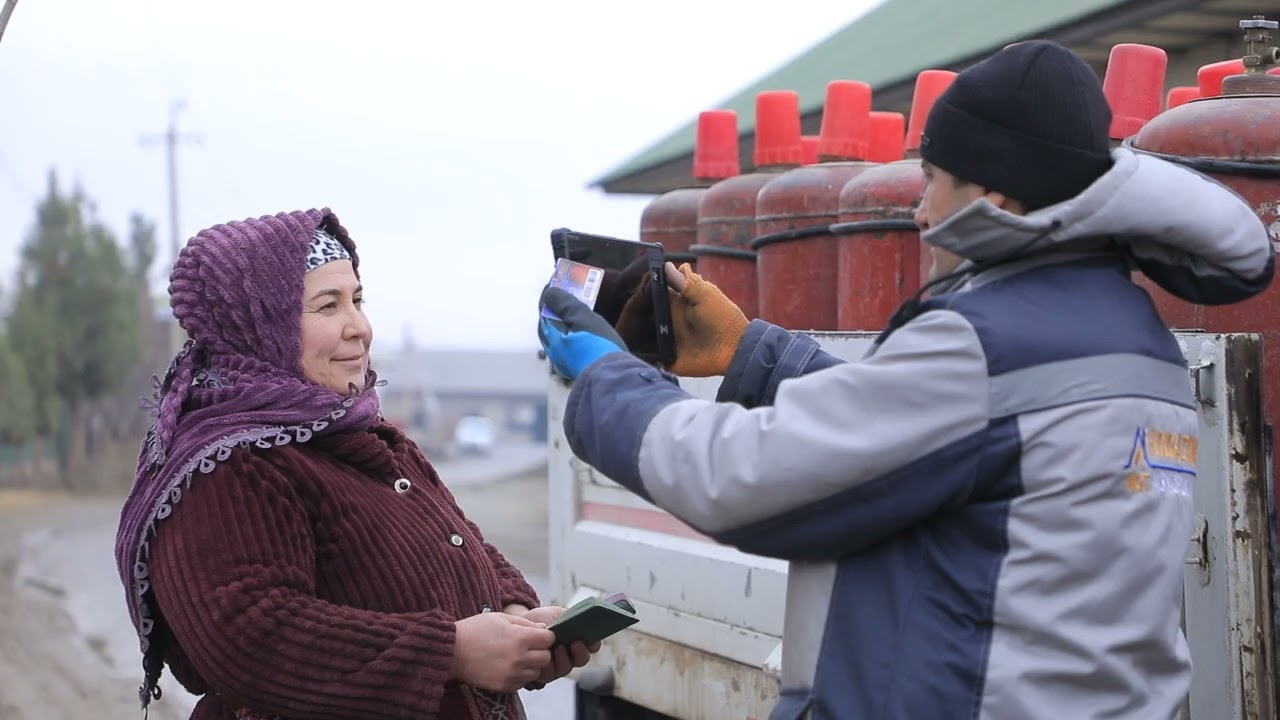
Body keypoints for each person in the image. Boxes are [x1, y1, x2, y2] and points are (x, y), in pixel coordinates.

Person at [537, 41, 1275, 719]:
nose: (919, 213)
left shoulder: (990, 342)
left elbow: (739, 478)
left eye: (931, 181)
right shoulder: (1127, 335)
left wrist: (607, 377)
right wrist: (751, 355)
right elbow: (946, 445)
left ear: (995, 199)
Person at [115, 208, 596, 720]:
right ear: (259, 326)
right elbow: (250, 635)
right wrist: (451, 652)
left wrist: (515, 617)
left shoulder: (366, 437)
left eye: (357, 300)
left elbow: (458, 541)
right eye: (328, 306)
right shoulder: (227, 467)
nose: (360, 328)